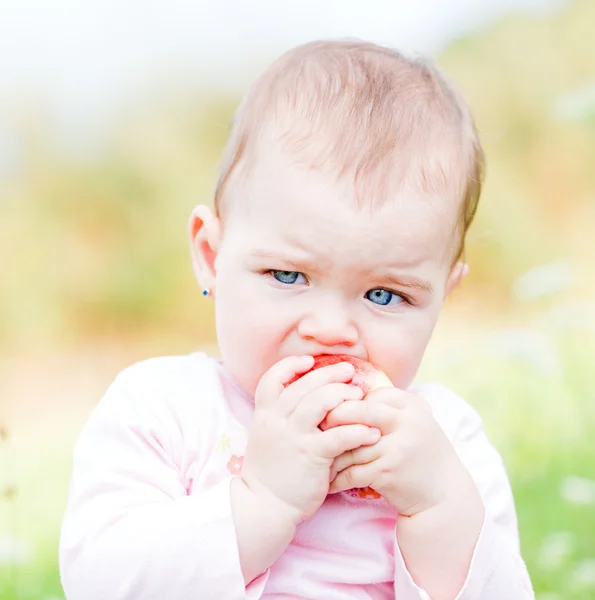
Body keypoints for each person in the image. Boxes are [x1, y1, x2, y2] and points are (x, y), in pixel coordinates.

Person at [59, 39, 534, 599]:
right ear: (212, 256)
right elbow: (100, 582)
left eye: (384, 295)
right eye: (288, 277)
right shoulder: (162, 409)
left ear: (442, 297)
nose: (332, 330)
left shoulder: (445, 442)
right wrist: (261, 501)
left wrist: (438, 507)